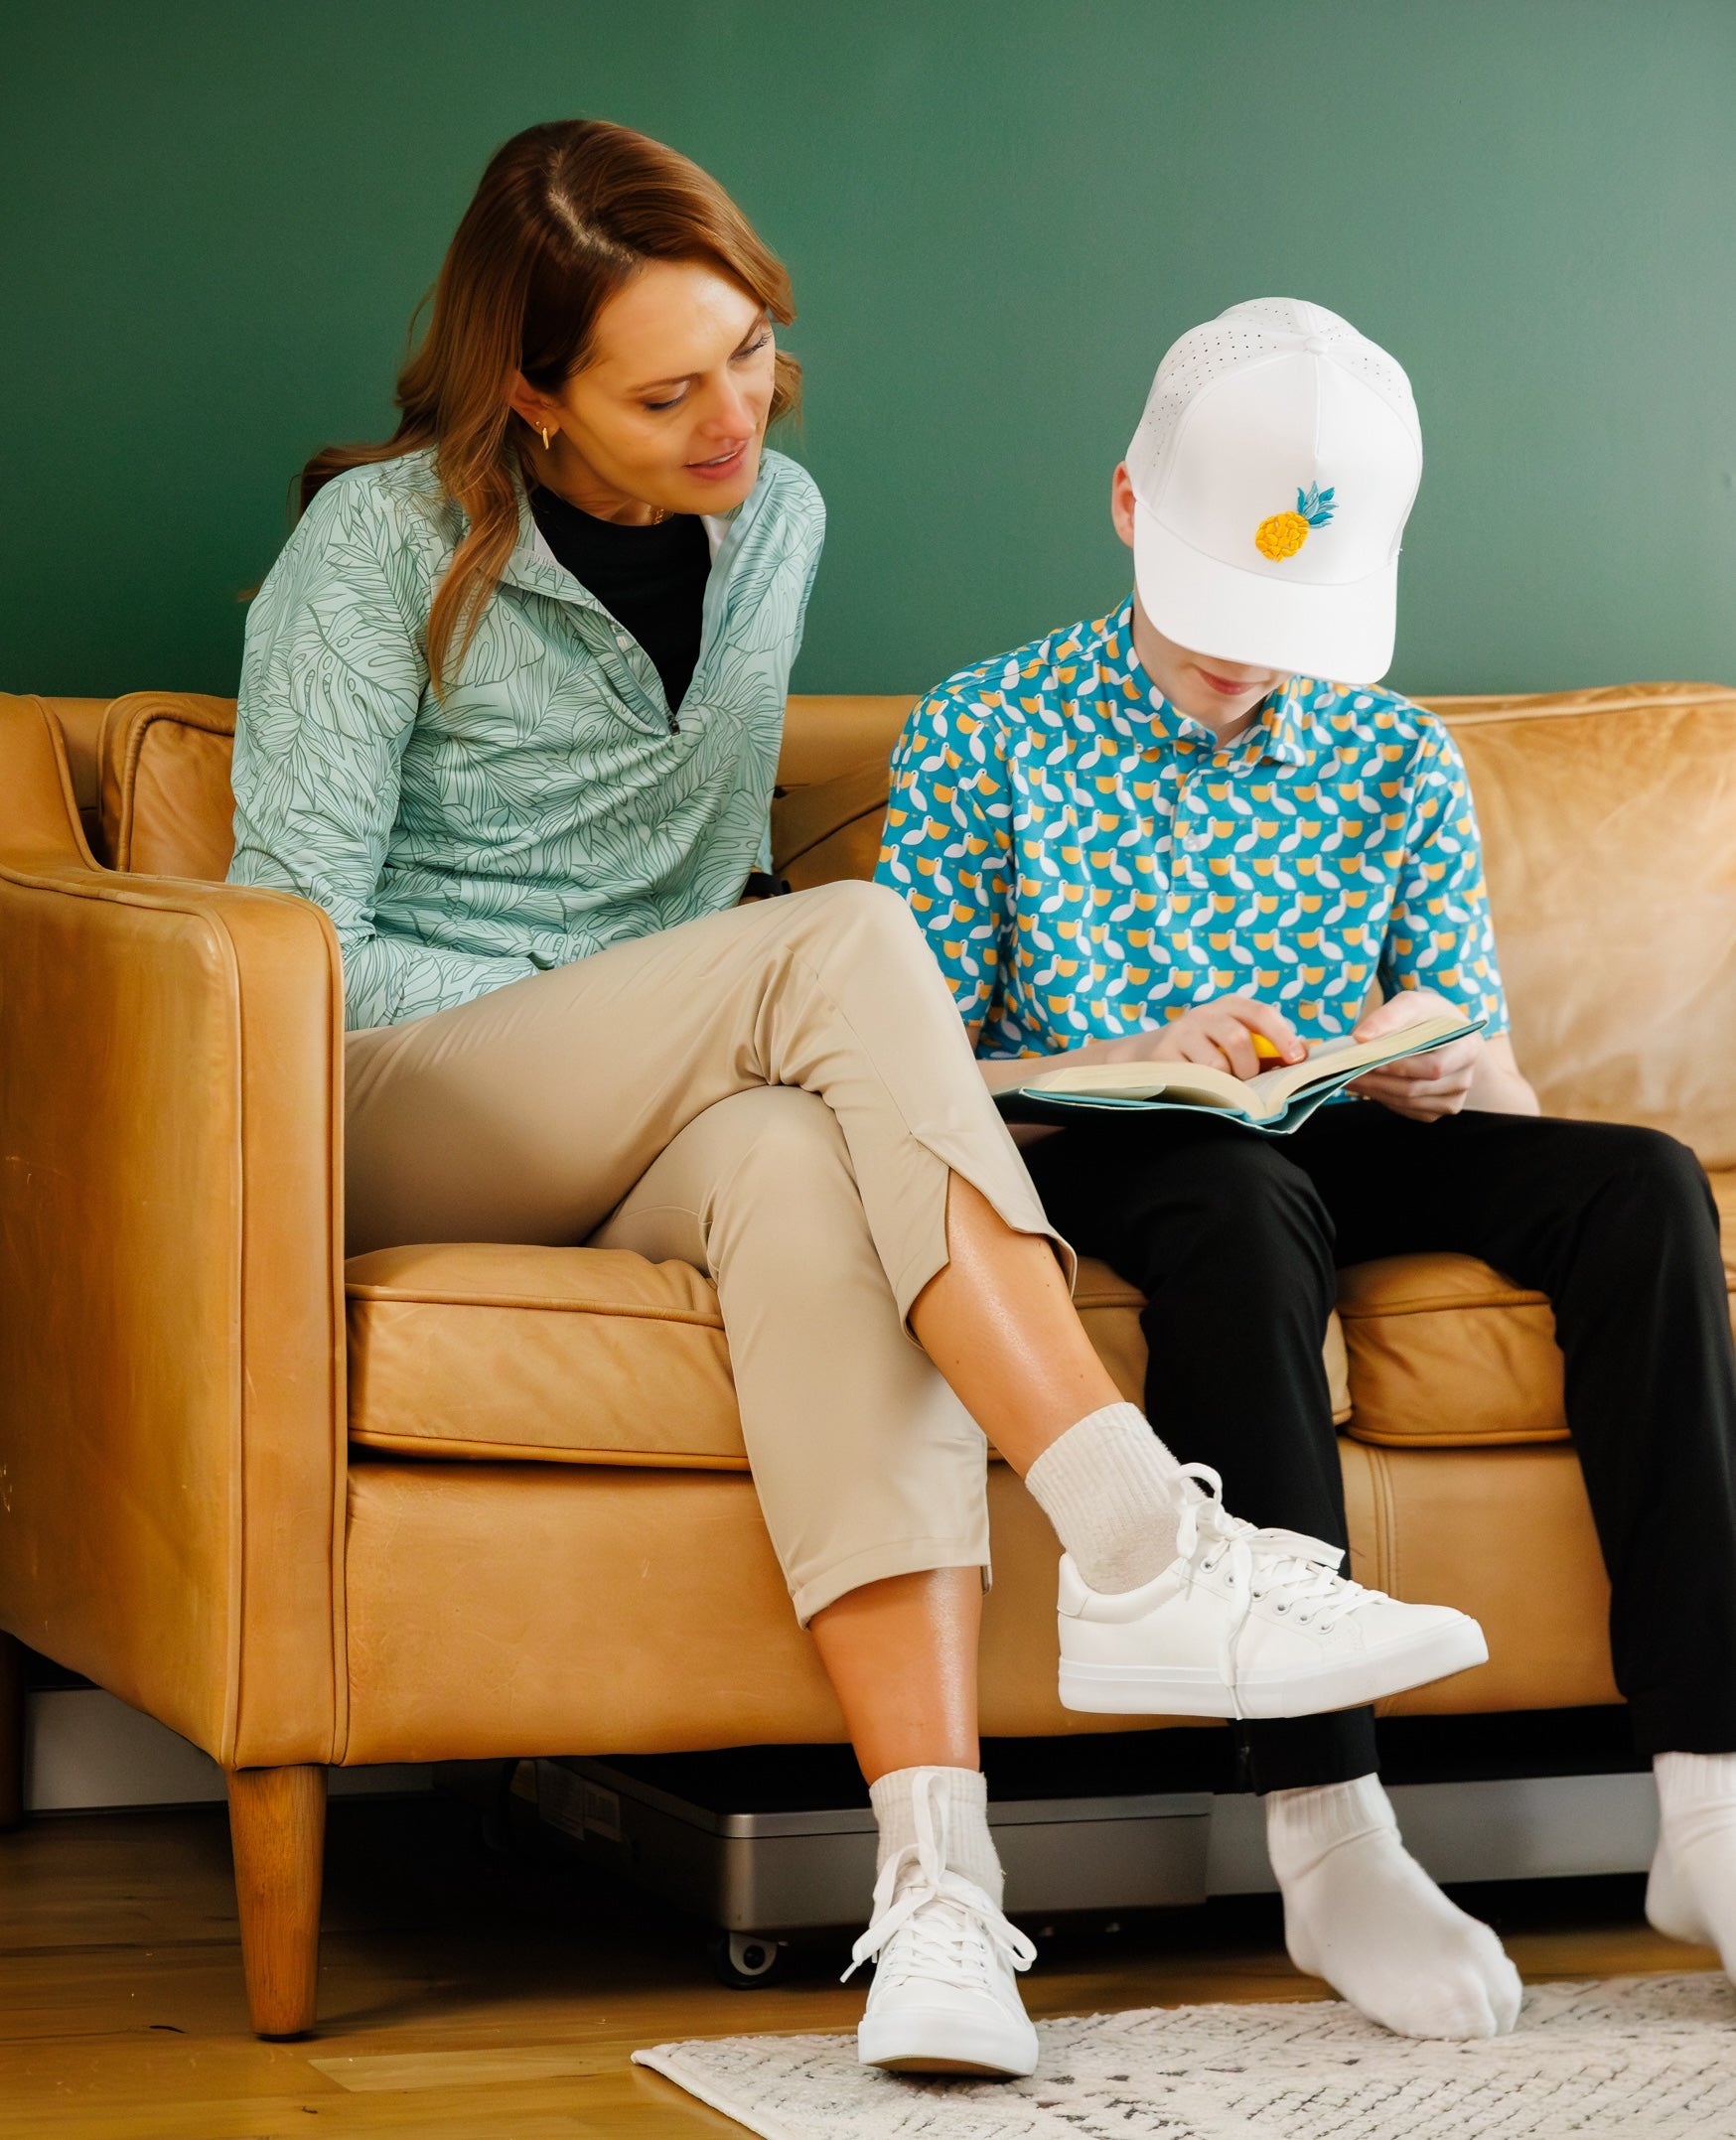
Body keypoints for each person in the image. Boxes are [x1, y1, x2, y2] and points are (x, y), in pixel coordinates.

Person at [230, 139, 1478, 2078]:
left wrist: (704, 1013)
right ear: (529, 394)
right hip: (395, 1090)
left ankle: (937, 1888)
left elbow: (692, 867)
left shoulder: (776, 519)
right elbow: (288, 935)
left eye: (750, 353)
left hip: (672, 1097)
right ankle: (1139, 1537)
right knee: (832, 945)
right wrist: (646, 1005)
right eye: (667, 392)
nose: (732, 416)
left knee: (815, 1181)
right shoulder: (374, 552)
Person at [877, 297, 1736, 2044]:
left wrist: (1445, 1057)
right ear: (1128, 507)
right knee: (1237, 1202)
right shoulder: (979, 732)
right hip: (1110, 1148)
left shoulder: (1395, 750)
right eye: (1215, 622)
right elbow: (915, 1075)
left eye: (1282, 631)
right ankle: (1330, 1835)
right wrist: (1131, 1059)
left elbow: (1491, 1064)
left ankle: (1712, 1800)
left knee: (1646, 1178)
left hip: (1361, 1126)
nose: (1242, 662)